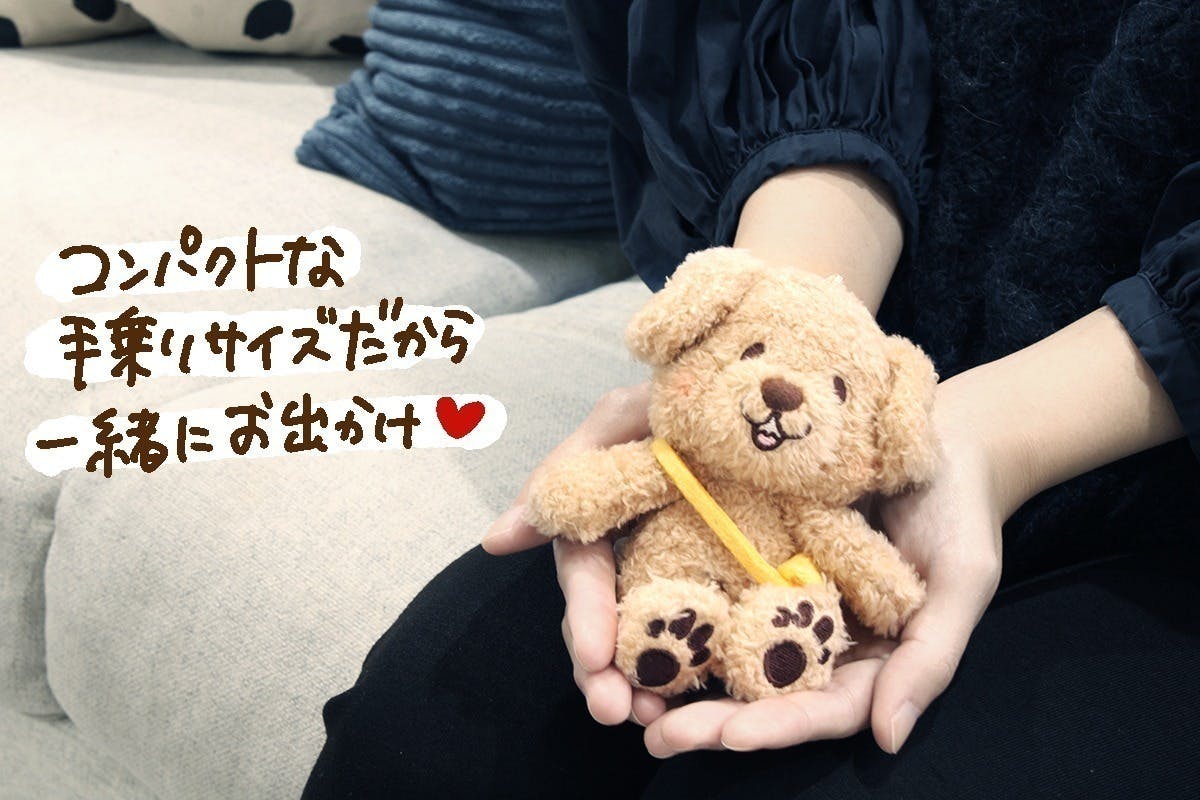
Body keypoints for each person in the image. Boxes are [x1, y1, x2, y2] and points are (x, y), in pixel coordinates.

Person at [302, 1, 1200, 797]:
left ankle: (779, 633)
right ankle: (683, 623)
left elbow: (872, 577)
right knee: (421, 733)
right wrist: (769, 316)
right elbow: (817, 37)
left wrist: (979, 442)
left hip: (1166, 490)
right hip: (891, 327)